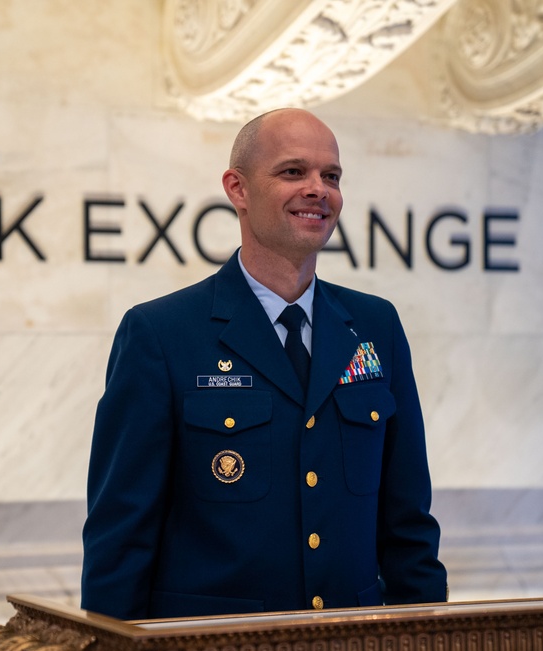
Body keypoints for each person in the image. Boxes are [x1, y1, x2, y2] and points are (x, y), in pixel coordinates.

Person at [80, 108, 447, 620]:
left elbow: (408, 524)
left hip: (352, 650)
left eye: (332, 176)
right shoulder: (161, 334)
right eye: (293, 172)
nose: (318, 189)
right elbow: (121, 535)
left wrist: (430, 644)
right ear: (238, 189)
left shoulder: (375, 325)